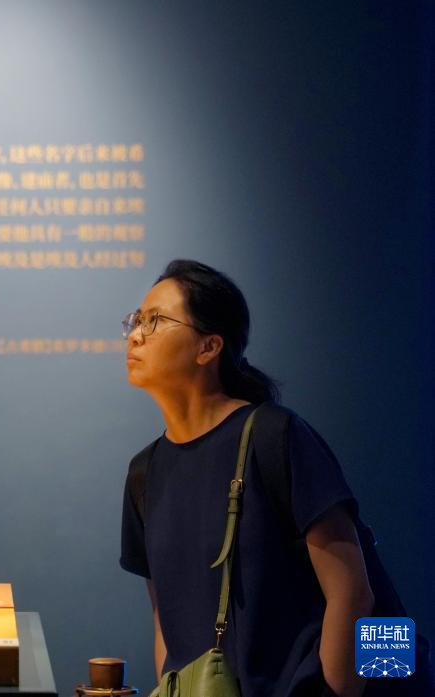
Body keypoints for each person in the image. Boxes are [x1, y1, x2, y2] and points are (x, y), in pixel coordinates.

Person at [119, 259, 374, 697]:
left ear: (209, 347)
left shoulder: (274, 436)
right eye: (135, 321)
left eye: (155, 320)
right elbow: (165, 617)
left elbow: (352, 594)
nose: (135, 335)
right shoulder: (145, 472)